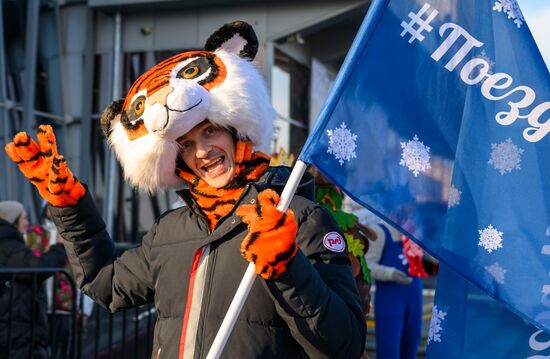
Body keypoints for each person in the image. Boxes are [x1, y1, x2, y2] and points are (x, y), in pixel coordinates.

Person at [5, 21, 366, 359]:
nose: (202, 152)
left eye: (210, 131)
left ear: (235, 129)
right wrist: (69, 205)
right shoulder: (170, 230)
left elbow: (344, 345)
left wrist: (288, 266)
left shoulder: (300, 217)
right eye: (186, 144)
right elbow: (104, 283)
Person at [0, 200, 67, 359]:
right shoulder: (9, 247)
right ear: (12, 221)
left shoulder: (10, 244)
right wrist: (59, 247)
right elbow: (38, 267)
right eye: (23, 218)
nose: (27, 222)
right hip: (15, 330)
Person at [359, 209, 426, 359]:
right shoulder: (380, 231)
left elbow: (431, 260)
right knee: (389, 349)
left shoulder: (415, 232)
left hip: (414, 295)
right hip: (391, 298)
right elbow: (367, 265)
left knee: (411, 348)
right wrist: (390, 273)